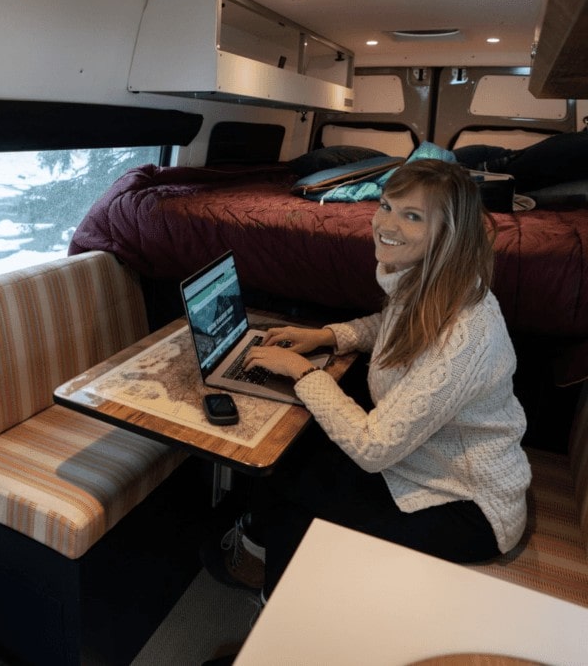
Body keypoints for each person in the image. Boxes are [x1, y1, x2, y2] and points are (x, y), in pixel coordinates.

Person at [205, 158, 532, 606]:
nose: (386, 224)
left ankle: (275, 622)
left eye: (411, 215)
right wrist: (328, 336)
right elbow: (389, 324)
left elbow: (375, 449)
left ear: (449, 233)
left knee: (297, 496)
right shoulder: (432, 282)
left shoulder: (464, 332)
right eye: (386, 205)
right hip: (423, 465)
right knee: (295, 458)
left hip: (467, 506)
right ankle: (258, 557)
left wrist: (303, 372)